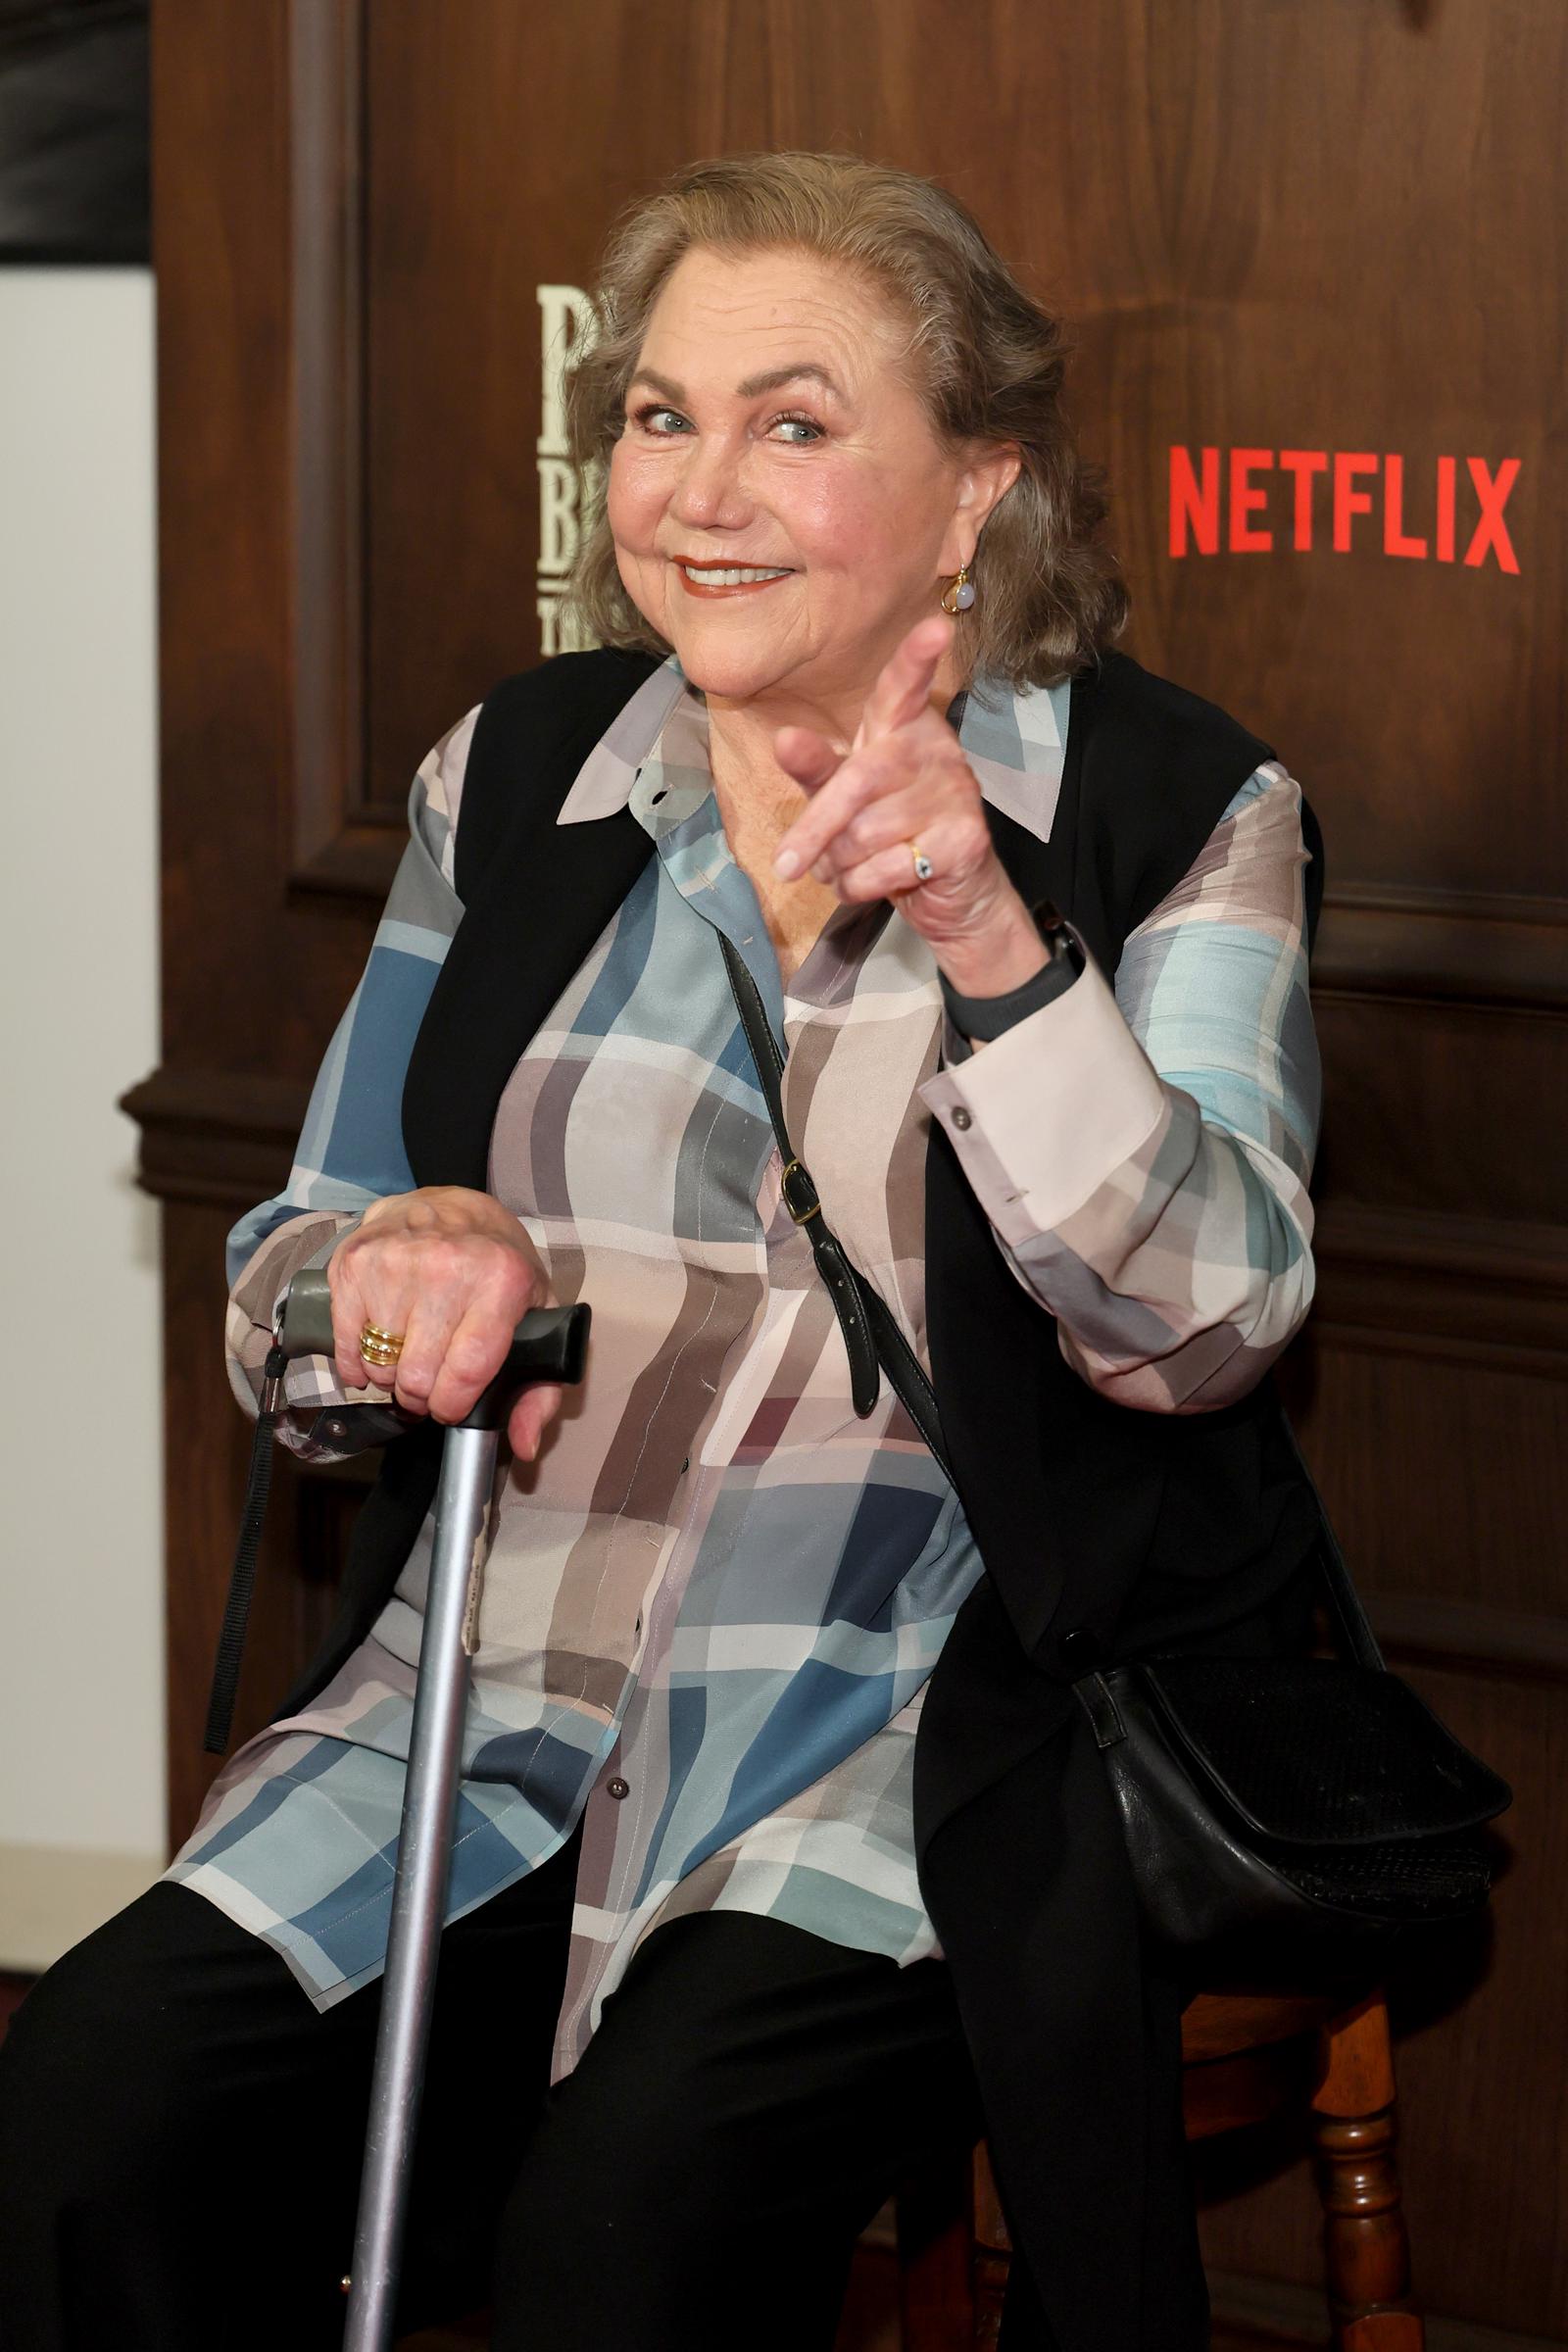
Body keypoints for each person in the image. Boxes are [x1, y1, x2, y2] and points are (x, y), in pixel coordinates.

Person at [0, 152, 1324, 2350]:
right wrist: (389, 1276)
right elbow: (287, 1282)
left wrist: (999, 945)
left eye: (794, 425)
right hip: (494, 1700)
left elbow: (1202, 1334)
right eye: (655, 417)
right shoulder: (517, 777)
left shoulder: (1172, 814)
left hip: (910, 1744)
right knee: (86, 2114)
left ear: (975, 486)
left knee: (621, 2230)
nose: (697, 491)